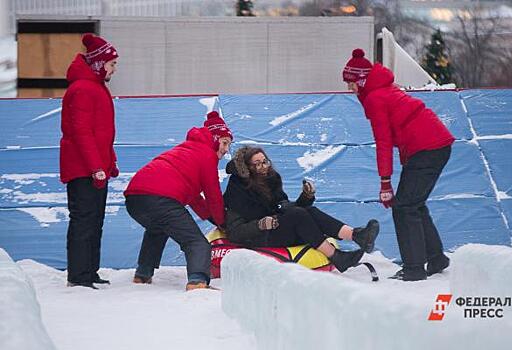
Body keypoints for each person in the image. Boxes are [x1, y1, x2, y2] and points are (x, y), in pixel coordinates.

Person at [342, 48, 455, 281]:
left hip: (427, 148)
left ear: (362, 80)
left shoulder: (374, 98)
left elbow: (383, 142)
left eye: (351, 82)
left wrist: (385, 182)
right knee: (414, 204)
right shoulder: (380, 90)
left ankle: (414, 269)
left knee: (403, 207)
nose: (349, 88)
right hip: (434, 145)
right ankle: (436, 258)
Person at [223, 146, 380, 273]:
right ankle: (336, 256)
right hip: (258, 237)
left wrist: (305, 197)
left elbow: (283, 208)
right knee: (298, 215)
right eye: (257, 164)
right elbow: (235, 232)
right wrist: (260, 225)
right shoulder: (238, 192)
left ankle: (357, 235)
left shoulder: (271, 180)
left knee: (308, 211)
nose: (263, 167)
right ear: (247, 168)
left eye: (265, 162)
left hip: (276, 228)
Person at [124, 111, 232, 291]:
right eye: (224, 142)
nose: (227, 149)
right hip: (161, 199)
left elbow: (194, 199)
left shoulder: (186, 149)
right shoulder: (207, 155)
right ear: (214, 139)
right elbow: (214, 197)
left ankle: (143, 274)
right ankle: (198, 281)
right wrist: (223, 222)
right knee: (195, 242)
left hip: (134, 199)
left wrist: (212, 218)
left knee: (157, 228)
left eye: (229, 144)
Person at [60, 33, 119, 289]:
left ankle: (89, 270)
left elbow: (102, 134)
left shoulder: (96, 87)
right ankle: (79, 275)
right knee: (84, 220)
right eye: (112, 64)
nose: (114, 69)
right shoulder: (82, 89)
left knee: (96, 220)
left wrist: (109, 162)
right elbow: (81, 132)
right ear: (99, 62)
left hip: (97, 169)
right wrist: (96, 167)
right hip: (83, 169)